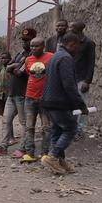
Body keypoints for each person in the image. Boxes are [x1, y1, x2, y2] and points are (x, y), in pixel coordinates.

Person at [40, 32, 89, 174]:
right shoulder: (66, 58)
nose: (78, 50)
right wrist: (81, 104)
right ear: (72, 44)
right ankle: (53, 156)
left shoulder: (54, 56)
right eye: (77, 47)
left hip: (48, 101)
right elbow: (69, 85)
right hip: (59, 102)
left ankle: (60, 162)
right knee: (71, 128)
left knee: (57, 131)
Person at [0, 28, 35, 157]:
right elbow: (9, 67)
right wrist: (16, 66)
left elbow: (20, 72)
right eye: (23, 40)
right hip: (12, 93)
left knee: (24, 122)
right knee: (6, 120)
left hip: (22, 93)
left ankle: (23, 148)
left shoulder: (32, 56)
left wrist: (15, 67)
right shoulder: (20, 54)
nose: (24, 42)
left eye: (27, 40)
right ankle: (2, 147)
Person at [17, 37, 52, 162]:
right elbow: (28, 73)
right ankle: (30, 153)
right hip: (30, 97)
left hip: (45, 98)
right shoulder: (28, 59)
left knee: (46, 127)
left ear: (43, 46)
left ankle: (45, 153)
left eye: (36, 46)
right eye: (31, 46)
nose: (33, 48)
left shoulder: (50, 57)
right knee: (29, 126)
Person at [70, 21, 96, 136]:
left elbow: (91, 63)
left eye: (72, 26)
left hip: (81, 79)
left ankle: (79, 130)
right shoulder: (71, 43)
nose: (70, 28)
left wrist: (87, 81)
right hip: (70, 78)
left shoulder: (89, 43)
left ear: (80, 28)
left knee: (81, 105)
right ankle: (71, 129)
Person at [0, 51, 12, 121]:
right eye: (2, 58)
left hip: (9, 95)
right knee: (2, 115)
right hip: (1, 95)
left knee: (8, 115)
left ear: (10, 59)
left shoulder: (12, 69)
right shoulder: (1, 69)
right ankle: (5, 129)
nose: (3, 60)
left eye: (5, 58)